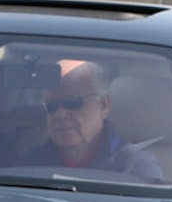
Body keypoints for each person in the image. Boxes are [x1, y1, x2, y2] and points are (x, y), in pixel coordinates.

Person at [21, 61, 163, 181]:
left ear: (103, 105)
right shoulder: (30, 165)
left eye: (73, 102)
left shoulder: (136, 168)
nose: (61, 114)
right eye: (51, 105)